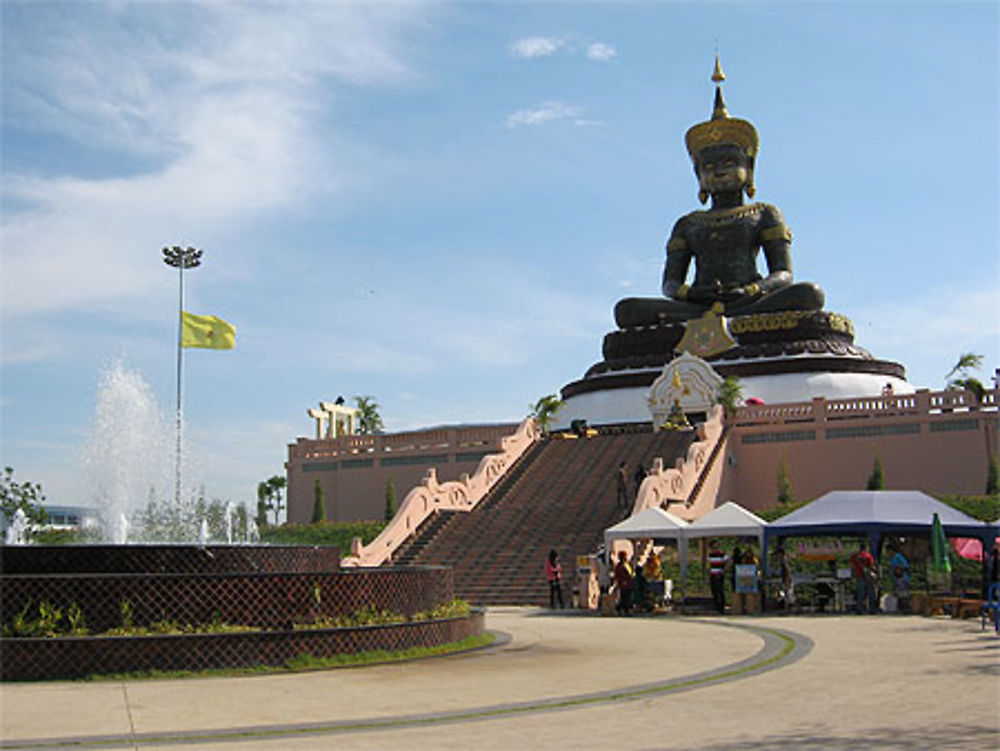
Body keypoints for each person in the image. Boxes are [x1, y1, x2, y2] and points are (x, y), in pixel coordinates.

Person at [614, 59, 824, 329]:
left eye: (729, 163)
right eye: (709, 167)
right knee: (627, 311)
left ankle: (713, 320)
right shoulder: (688, 224)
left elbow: (783, 274)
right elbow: (670, 283)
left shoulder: (764, 214)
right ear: (698, 175)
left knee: (810, 295)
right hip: (698, 303)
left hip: (749, 299)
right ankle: (714, 319)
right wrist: (693, 293)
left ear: (748, 169)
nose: (719, 172)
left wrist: (750, 291)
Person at [850, 541, 877, 614]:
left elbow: (852, 567)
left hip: (859, 576)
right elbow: (872, 566)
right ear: (865, 548)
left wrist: (854, 574)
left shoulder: (855, 556)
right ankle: (872, 610)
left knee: (860, 594)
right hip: (868, 577)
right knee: (871, 593)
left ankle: (859, 610)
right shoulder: (868, 556)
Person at [888, 544, 910, 613]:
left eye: (889, 551)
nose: (888, 553)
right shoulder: (890, 558)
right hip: (895, 578)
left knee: (903, 593)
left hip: (902, 577)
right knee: (897, 593)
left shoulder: (898, 557)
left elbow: (905, 566)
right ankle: (900, 608)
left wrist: (899, 569)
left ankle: (906, 608)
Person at [708, 540, 728, 614]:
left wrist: (724, 569)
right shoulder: (710, 555)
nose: (715, 549)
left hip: (719, 574)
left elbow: (729, 559)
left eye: (716, 547)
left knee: (720, 591)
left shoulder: (721, 554)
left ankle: (722, 607)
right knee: (714, 591)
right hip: (713, 574)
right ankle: (717, 606)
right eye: (713, 547)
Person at [614, 550, 634, 616]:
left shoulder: (627, 565)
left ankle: (624, 609)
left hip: (629, 584)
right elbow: (618, 575)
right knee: (625, 598)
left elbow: (630, 573)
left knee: (627, 598)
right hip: (624, 584)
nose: (625, 558)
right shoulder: (619, 566)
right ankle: (622, 609)